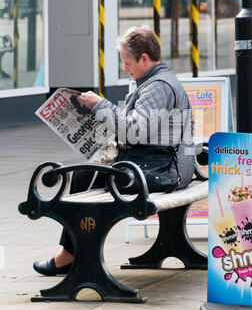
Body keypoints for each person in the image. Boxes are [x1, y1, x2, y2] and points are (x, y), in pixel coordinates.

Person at [33, 26, 195, 276]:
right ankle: (75, 254)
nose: (125, 68)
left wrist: (100, 106)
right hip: (157, 165)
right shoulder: (153, 82)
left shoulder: (158, 86)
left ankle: (72, 256)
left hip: (162, 170)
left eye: (127, 62)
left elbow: (135, 132)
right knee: (86, 176)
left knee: (85, 177)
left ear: (144, 59)